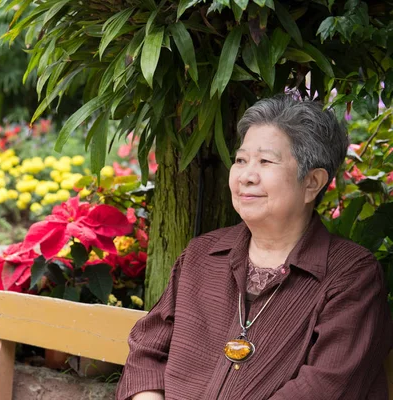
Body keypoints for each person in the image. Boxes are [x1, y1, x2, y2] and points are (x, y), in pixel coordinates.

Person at [116, 95, 392, 400]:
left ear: (312, 183)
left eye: (265, 161)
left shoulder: (350, 275)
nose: (246, 176)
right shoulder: (201, 256)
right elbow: (147, 351)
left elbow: (326, 387)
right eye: (241, 160)